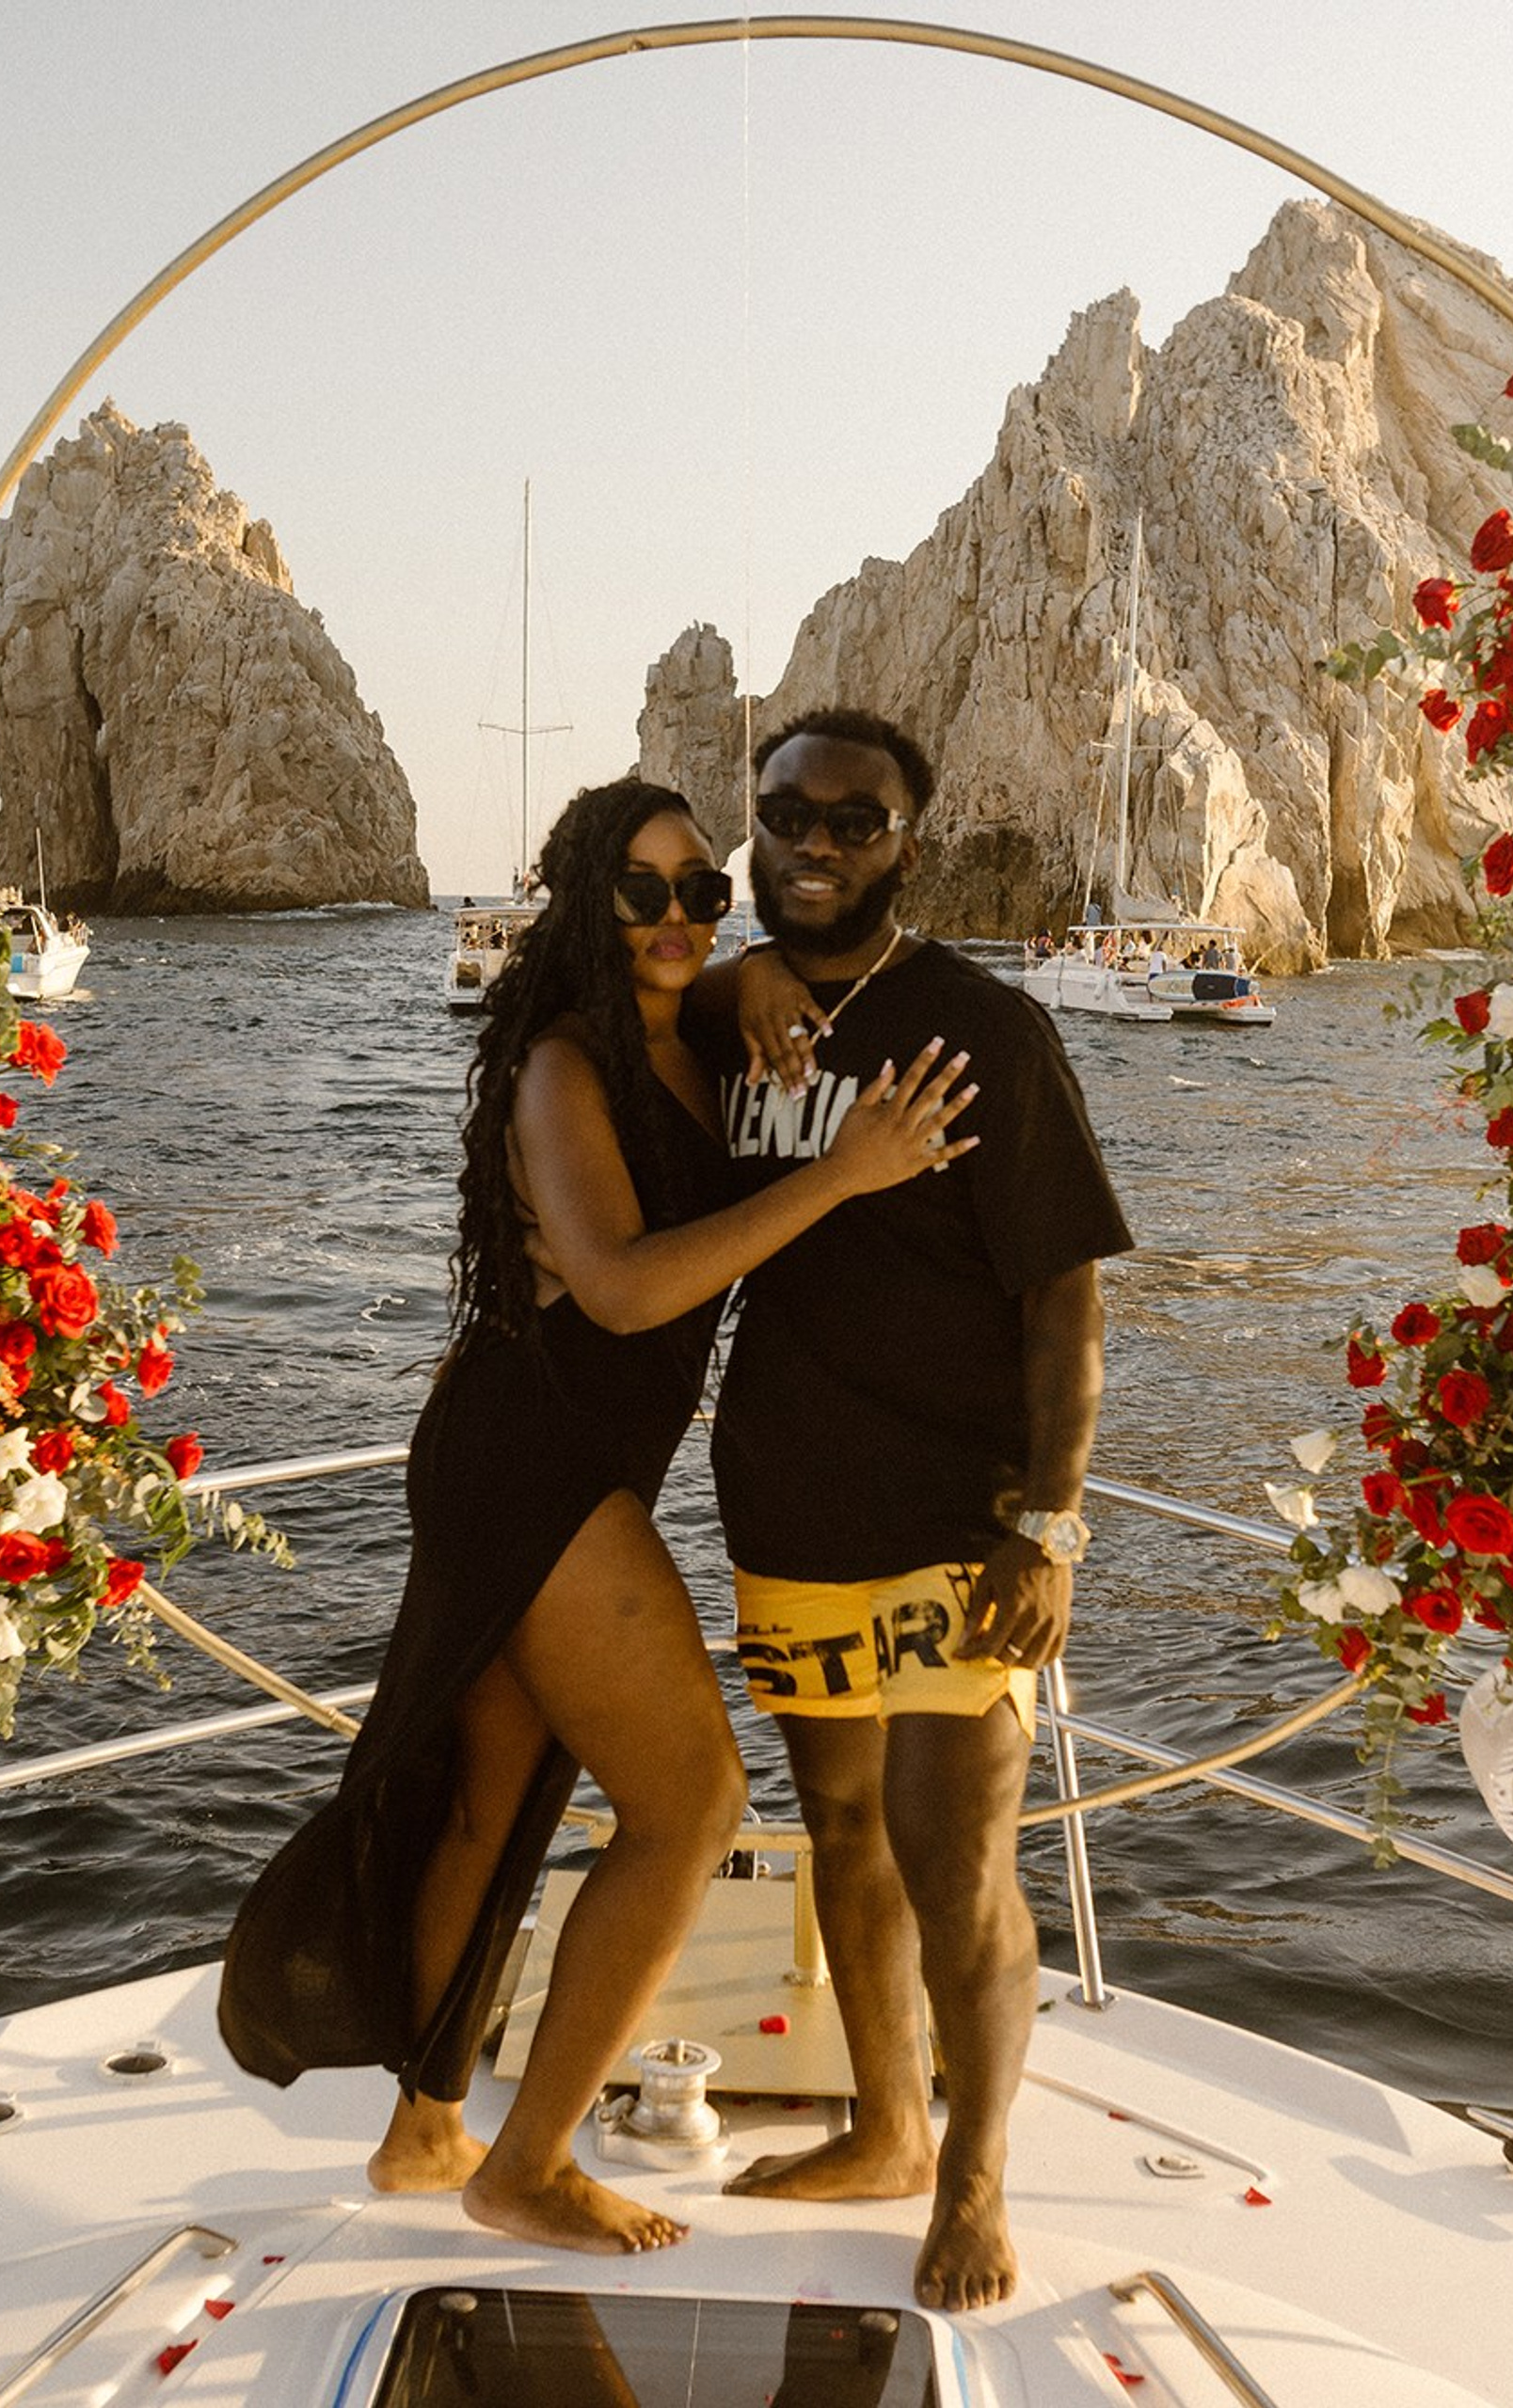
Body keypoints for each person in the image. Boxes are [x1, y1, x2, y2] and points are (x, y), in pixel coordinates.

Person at [218, 776, 974, 2257]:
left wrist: (752, 973)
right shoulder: (565, 1066)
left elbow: (741, 981)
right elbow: (623, 1285)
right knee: (692, 1808)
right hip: (534, 1459)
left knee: (500, 1802)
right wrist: (846, 1174)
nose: (678, 917)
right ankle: (531, 2164)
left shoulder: (672, 1033)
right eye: (642, 892)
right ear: (583, 905)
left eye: (701, 889)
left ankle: (431, 2128)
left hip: (566, 1458)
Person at [686, 709, 1132, 2311]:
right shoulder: (729, 1022)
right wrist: (739, 983)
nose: (812, 843)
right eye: (787, 813)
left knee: (961, 1861)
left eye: (852, 823)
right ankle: (883, 2130)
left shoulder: (983, 1035)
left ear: (906, 845)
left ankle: (977, 2178)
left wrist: (1054, 1525)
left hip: (964, 1518)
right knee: (844, 1836)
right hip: (788, 1507)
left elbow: (1065, 1299)